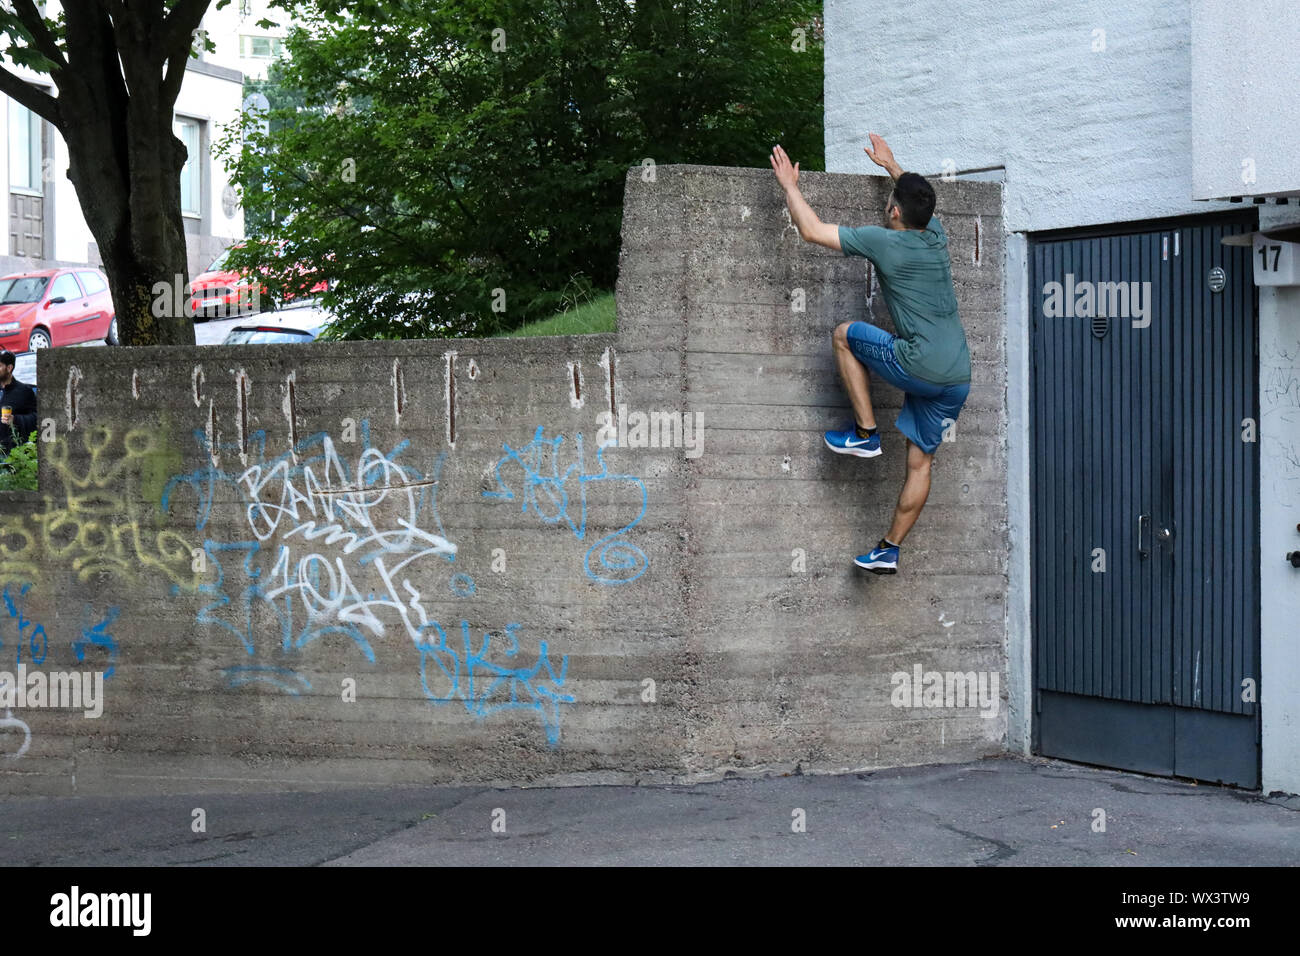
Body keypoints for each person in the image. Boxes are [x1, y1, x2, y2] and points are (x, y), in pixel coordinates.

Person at [769, 135, 971, 574]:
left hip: (919, 362)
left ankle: (865, 433)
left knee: (845, 335)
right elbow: (918, 198)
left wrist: (789, 186)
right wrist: (892, 165)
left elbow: (812, 231)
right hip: (957, 375)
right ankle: (888, 548)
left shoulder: (884, 241)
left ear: (893, 211)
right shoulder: (936, 235)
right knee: (920, 462)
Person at [0, 349, 38, 458]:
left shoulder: (24, 391)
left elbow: (37, 418)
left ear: (9, 368)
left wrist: (15, 420)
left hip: (12, 454)